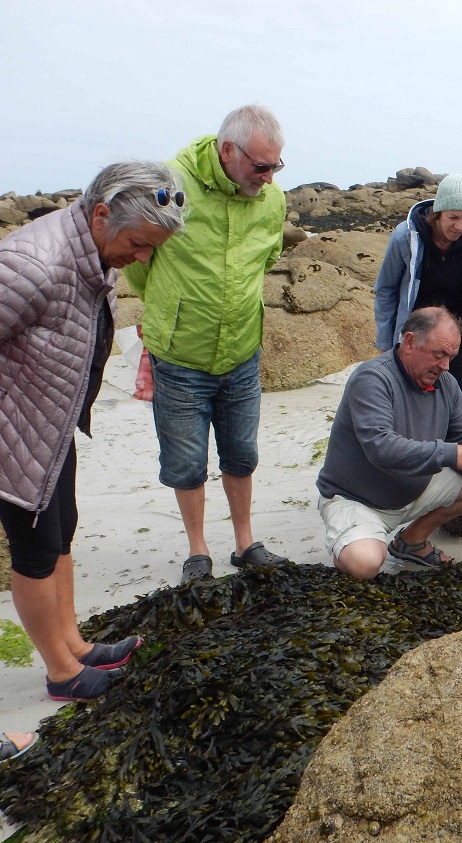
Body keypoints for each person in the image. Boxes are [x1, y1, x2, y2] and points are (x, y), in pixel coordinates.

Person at [0, 162, 184, 699]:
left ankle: (74, 644)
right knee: (34, 554)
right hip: (17, 433)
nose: (142, 257)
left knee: (61, 535)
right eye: (138, 242)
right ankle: (61, 671)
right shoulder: (31, 263)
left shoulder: (90, 251)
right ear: (101, 214)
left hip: (52, 423)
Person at [125, 106, 289, 584]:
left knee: (241, 453)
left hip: (241, 351)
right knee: (186, 461)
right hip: (180, 355)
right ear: (227, 151)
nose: (269, 176)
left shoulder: (271, 199)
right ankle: (198, 550)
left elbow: (269, 255)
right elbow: (139, 261)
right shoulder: (170, 187)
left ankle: (244, 543)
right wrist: (172, 309)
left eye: (276, 165)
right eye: (261, 166)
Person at [317, 307, 462, 581]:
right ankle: (351, 541)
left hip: (414, 490)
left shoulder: (447, 384)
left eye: (451, 357)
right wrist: (452, 453)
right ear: (410, 342)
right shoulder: (372, 378)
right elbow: (382, 448)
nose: (446, 366)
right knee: (365, 565)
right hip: (356, 500)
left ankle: (411, 541)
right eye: (439, 355)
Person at [374, 173, 462, 436]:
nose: (459, 226)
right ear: (437, 213)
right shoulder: (406, 236)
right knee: (411, 396)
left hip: (459, 335)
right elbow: (386, 290)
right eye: (453, 217)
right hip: (415, 333)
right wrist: (386, 344)